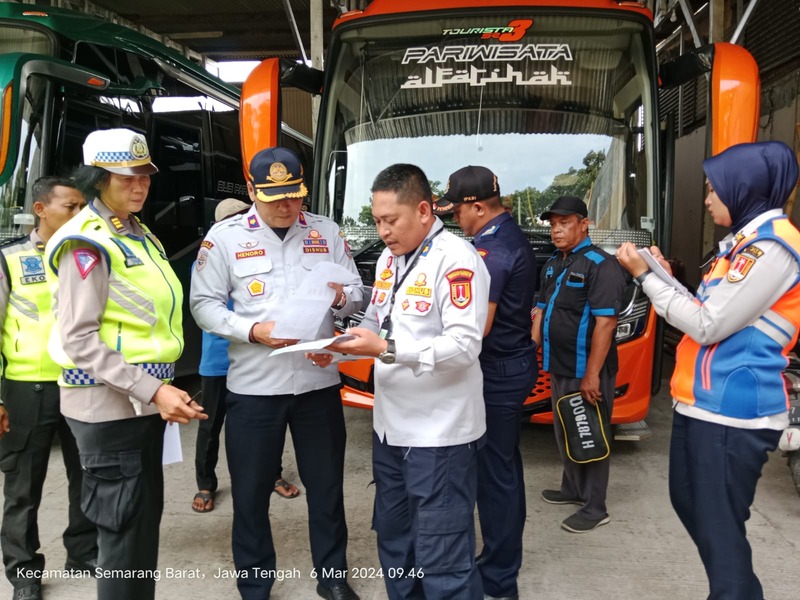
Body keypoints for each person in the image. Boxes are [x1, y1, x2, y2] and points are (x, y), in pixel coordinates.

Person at [617, 141, 800, 599]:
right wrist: (660, 273)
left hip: (733, 411)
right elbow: (707, 306)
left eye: (712, 189)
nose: (706, 199)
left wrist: (644, 276)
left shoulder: (772, 247)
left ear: (742, 188)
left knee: (718, 529)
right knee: (691, 505)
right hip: (703, 404)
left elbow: (706, 323)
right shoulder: (743, 245)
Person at [190, 146, 362, 600]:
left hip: (317, 385)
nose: (287, 206)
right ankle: (254, 583)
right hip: (254, 388)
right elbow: (203, 305)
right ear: (251, 190)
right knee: (249, 494)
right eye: (274, 197)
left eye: (294, 195)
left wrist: (344, 301)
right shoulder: (224, 238)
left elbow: (356, 289)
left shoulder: (325, 231)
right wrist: (251, 329)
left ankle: (333, 578)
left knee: (326, 490)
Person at [313, 163, 490, 599]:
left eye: (391, 220)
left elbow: (465, 346)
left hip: (439, 436)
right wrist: (340, 343)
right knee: (395, 543)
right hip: (390, 429)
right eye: (376, 221)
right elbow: (378, 318)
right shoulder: (391, 260)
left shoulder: (457, 260)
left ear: (425, 211)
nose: (384, 231)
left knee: (443, 556)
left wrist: (387, 350)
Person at [44, 128, 207, 600]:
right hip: (109, 410)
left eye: (145, 176)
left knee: (138, 531)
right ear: (98, 178)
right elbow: (79, 338)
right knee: (122, 542)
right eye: (126, 177)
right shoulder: (86, 243)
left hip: (137, 407)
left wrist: (156, 393)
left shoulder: (136, 232)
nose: (139, 185)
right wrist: (153, 389)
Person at [435, 166, 537, 600]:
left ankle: (499, 576)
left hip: (497, 373)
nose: (455, 219)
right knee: (502, 469)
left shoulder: (491, 252)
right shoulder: (504, 237)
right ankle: (497, 560)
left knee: (496, 475)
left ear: (478, 206)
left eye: (457, 210)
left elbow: (478, 325)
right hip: (508, 367)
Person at [0, 178, 96, 600]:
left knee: (88, 475)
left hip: (80, 382)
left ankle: (84, 551)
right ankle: (23, 571)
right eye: (69, 206)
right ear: (41, 209)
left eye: (82, 207)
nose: (78, 215)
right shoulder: (10, 259)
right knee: (23, 486)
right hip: (27, 386)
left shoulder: (87, 255)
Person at [191, 198, 299, 513]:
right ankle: (205, 484)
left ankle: (273, 474)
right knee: (210, 427)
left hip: (260, 361)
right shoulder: (211, 254)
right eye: (238, 219)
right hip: (218, 361)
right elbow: (206, 307)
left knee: (272, 423)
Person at [532, 195, 626, 533]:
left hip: (588, 369)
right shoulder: (555, 263)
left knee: (590, 435)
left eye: (565, 223)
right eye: (553, 224)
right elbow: (541, 310)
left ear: (584, 225)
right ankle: (572, 488)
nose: (556, 230)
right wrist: (533, 351)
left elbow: (606, 324)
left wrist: (592, 376)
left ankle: (595, 506)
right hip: (559, 364)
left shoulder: (602, 266)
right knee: (565, 429)